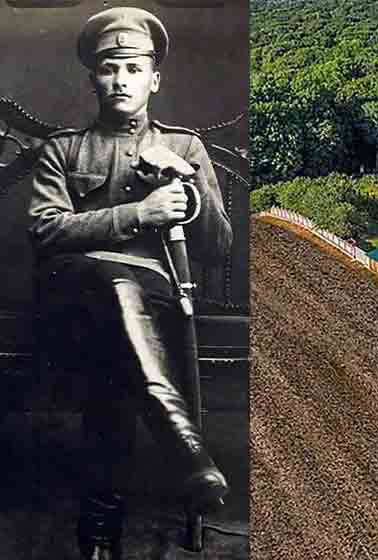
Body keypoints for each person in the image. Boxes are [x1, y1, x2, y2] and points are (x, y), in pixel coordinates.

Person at [26, 7, 232, 559]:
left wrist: (188, 192)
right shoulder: (64, 150)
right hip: (72, 296)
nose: (121, 79)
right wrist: (141, 213)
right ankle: (186, 451)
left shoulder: (184, 148)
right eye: (109, 68)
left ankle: (99, 533)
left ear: (154, 79)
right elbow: (45, 230)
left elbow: (218, 248)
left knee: (112, 364)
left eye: (134, 68)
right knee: (112, 288)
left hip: (154, 305)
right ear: (92, 79)